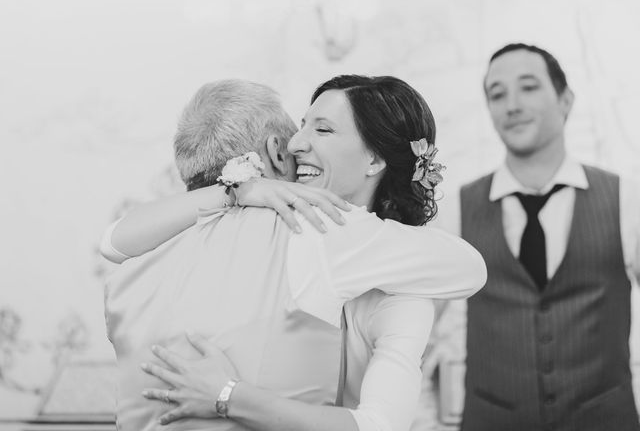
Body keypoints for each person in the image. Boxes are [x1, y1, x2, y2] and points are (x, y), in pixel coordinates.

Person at [102, 77, 486, 431]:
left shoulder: (152, 252)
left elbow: (113, 242)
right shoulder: (304, 229)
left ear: (374, 160)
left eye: (321, 129)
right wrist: (238, 191)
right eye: (302, 125)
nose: (296, 143)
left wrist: (229, 396)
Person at [434, 43, 640, 431]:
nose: (511, 104)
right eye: (497, 94)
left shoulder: (627, 200)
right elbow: (414, 324)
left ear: (565, 100)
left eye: (528, 87)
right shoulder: (456, 209)